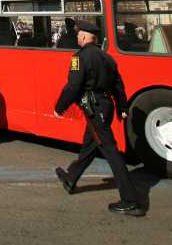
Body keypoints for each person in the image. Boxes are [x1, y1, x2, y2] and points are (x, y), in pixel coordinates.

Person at [53, 20, 144, 216]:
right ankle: (71, 177)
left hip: (94, 109)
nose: (77, 37)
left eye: (78, 34)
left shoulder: (80, 58)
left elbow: (73, 86)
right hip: (106, 106)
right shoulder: (108, 58)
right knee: (90, 143)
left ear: (85, 37)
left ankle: (130, 200)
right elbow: (118, 85)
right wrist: (122, 107)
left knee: (110, 151)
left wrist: (59, 107)